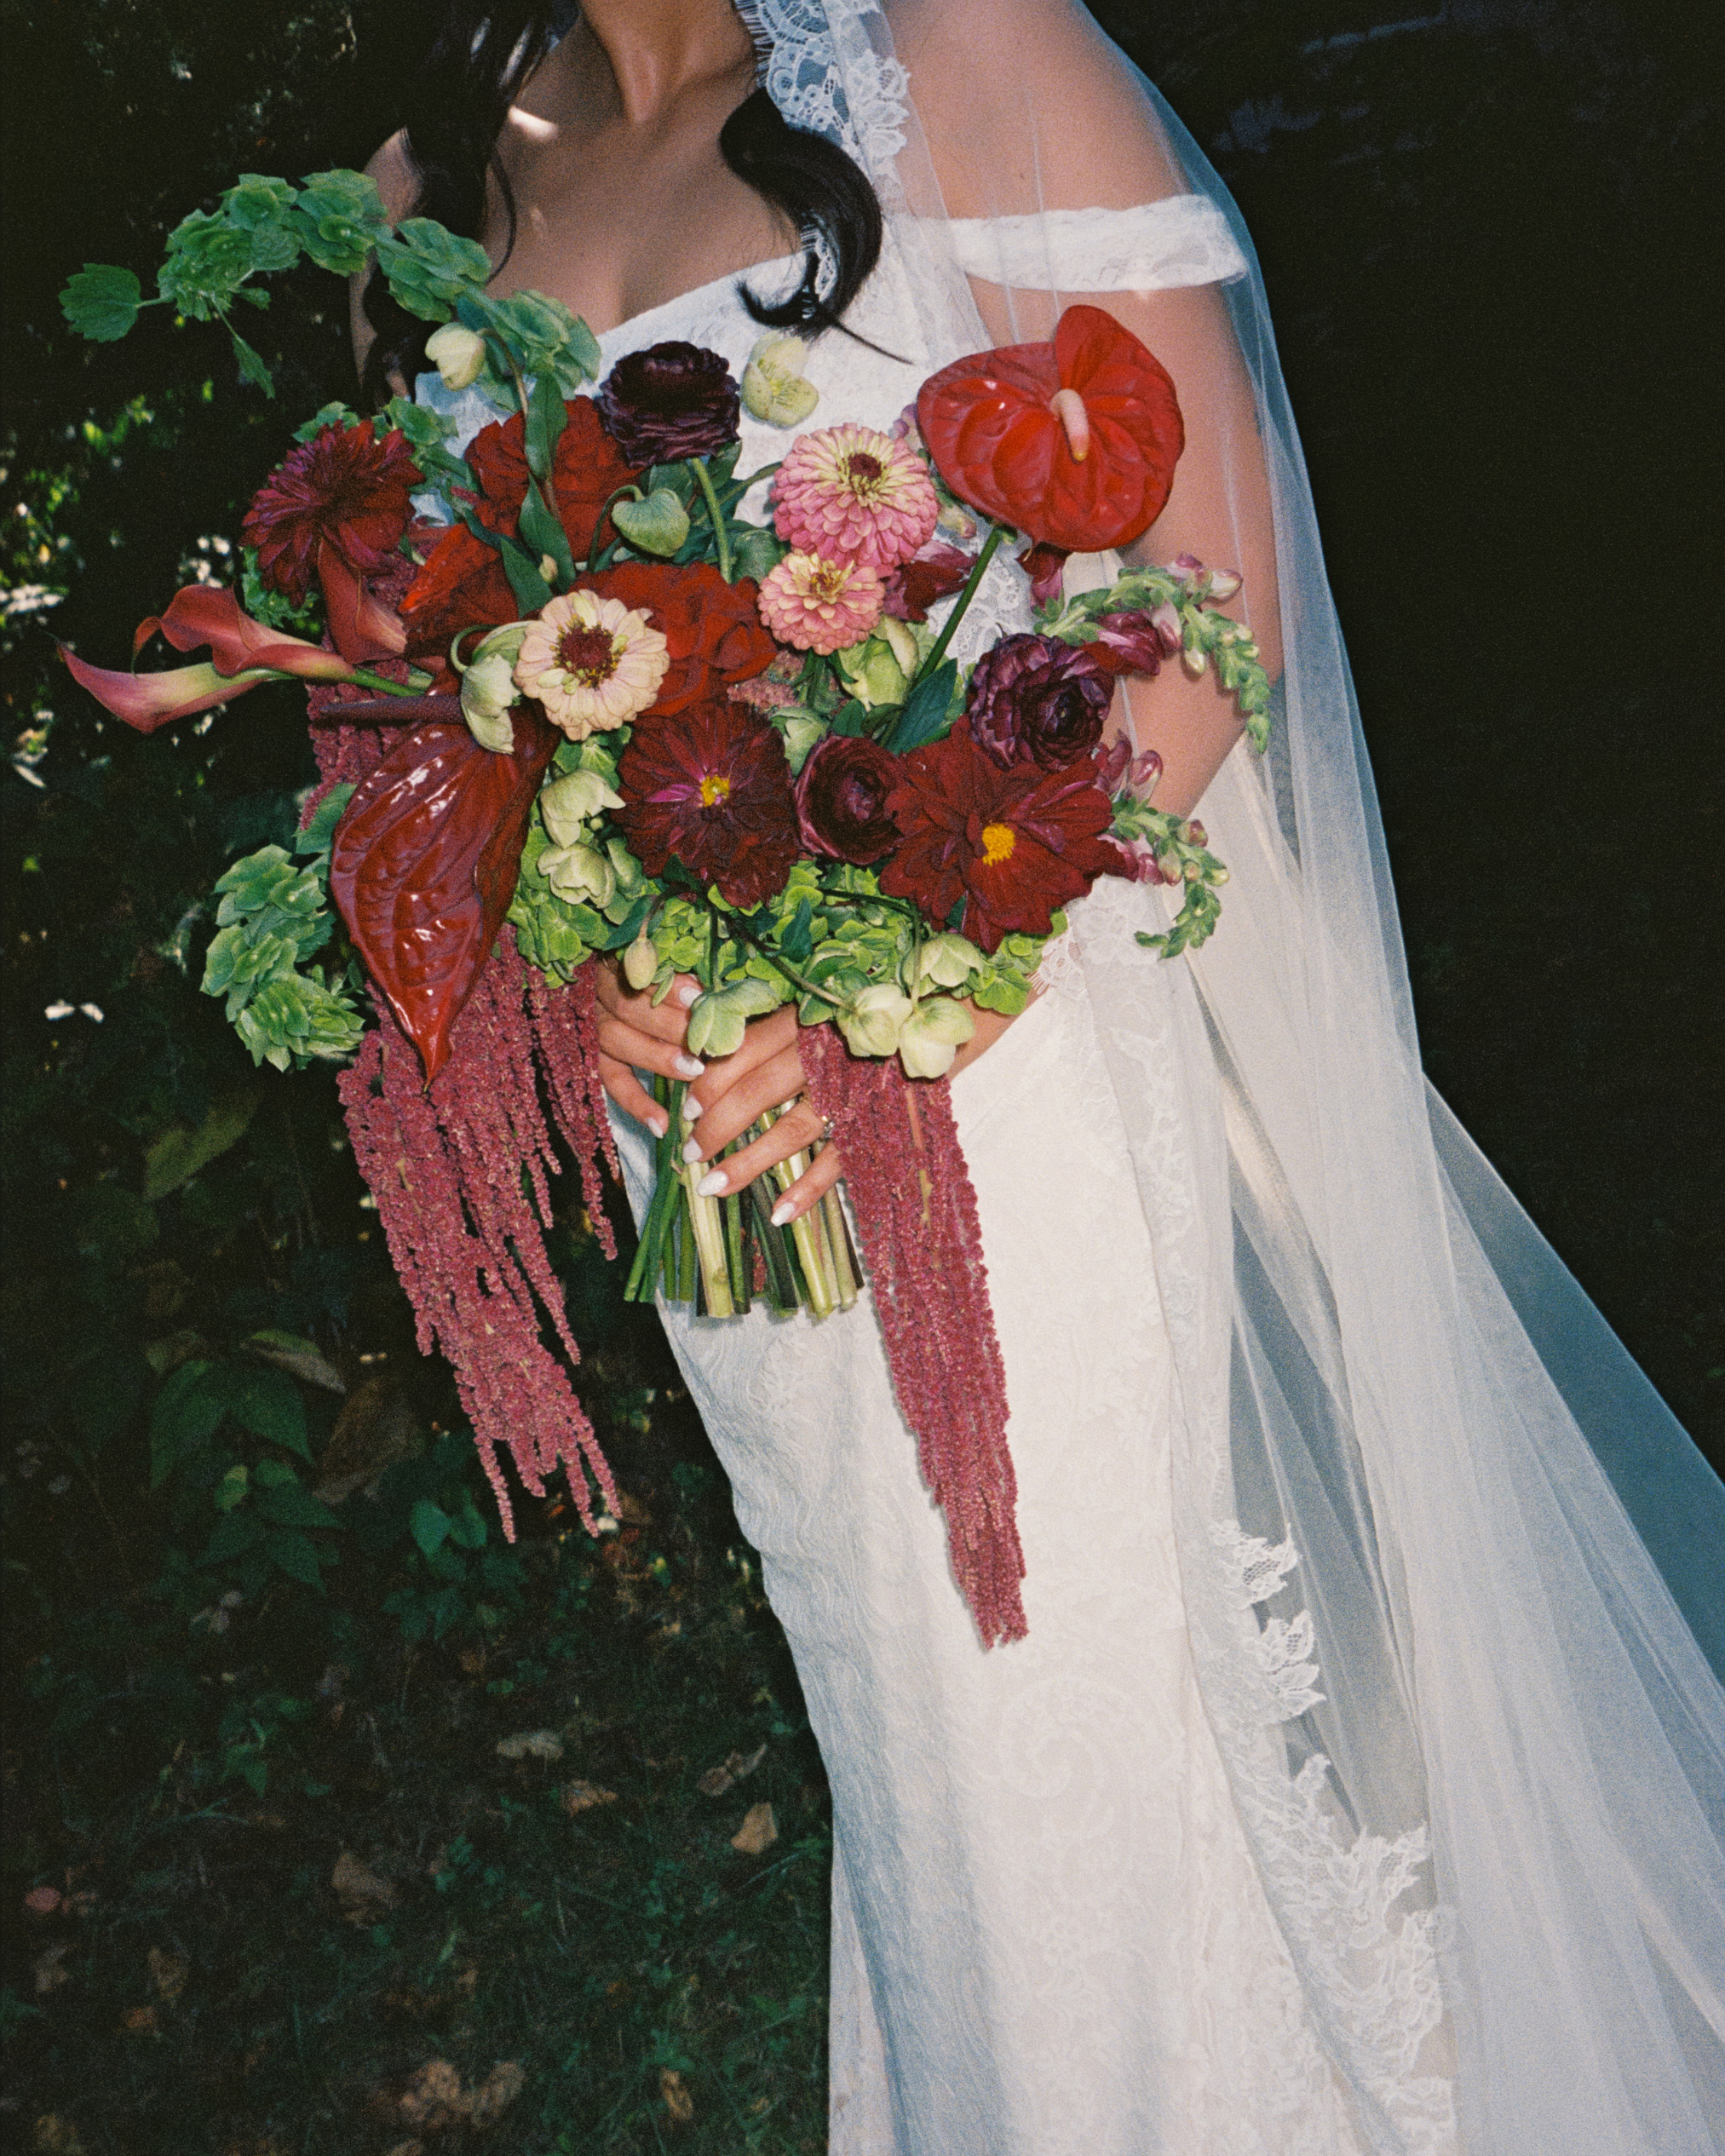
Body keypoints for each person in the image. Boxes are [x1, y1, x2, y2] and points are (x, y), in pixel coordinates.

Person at [355, 3, 1725, 2149]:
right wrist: (576, 954)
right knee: (918, 1739)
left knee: (1079, 1712)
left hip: (1000, 1057)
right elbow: (422, 704)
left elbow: (1208, 578)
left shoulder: (963, 51)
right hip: (700, 1114)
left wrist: (933, 953)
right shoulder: (427, 177)